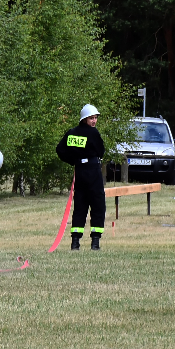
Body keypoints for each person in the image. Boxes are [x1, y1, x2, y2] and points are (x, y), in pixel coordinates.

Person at [56, 104, 107, 251]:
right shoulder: (93, 133)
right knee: (98, 205)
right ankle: (95, 243)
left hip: (79, 172)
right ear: (84, 119)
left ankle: (75, 243)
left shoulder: (71, 133)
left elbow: (60, 150)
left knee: (80, 206)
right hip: (92, 171)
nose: (94, 121)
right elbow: (101, 152)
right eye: (91, 118)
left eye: (96, 118)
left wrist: (73, 160)